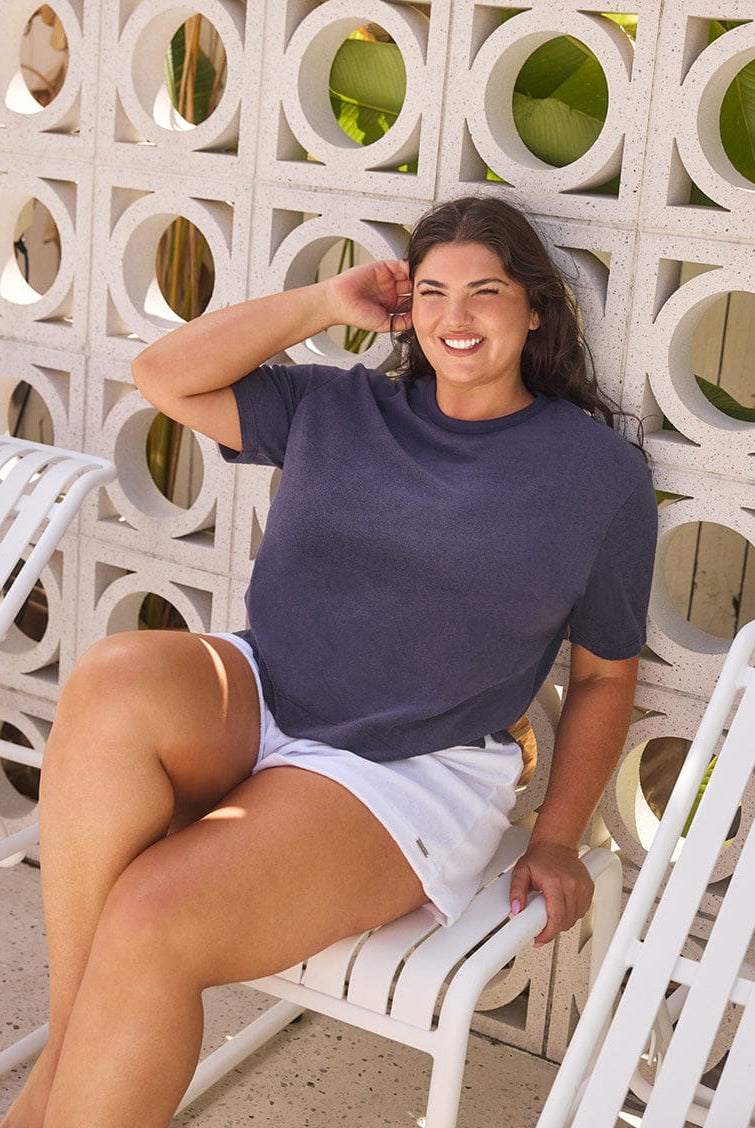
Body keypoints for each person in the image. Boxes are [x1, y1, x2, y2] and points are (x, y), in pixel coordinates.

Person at [2, 194, 657, 1128]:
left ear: (534, 310)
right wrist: (321, 302)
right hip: (264, 692)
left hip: (405, 767)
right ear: (404, 307)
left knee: (149, 920)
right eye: (431, 292)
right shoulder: (339, 405)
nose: (456, 316)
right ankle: (71, 1054)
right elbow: (161, 375)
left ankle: (51, 1094)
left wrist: (556, 838)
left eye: (484, 291)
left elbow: (602, 676)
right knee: (113, 673)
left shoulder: (595, 475)